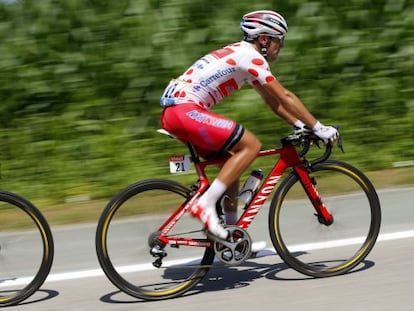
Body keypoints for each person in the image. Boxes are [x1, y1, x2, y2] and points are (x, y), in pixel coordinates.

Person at [160, 10, 338, 241]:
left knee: (233, 161)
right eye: (279, 40)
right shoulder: (250, 57)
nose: (280, 47)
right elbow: (285, 96)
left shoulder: (242, 55)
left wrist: (298, 124)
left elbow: (271, 101)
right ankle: (205, 204)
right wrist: (318, 127)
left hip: (177, 112)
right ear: (264, 39)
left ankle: (232, 237)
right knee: (251, 146)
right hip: (185, 110)